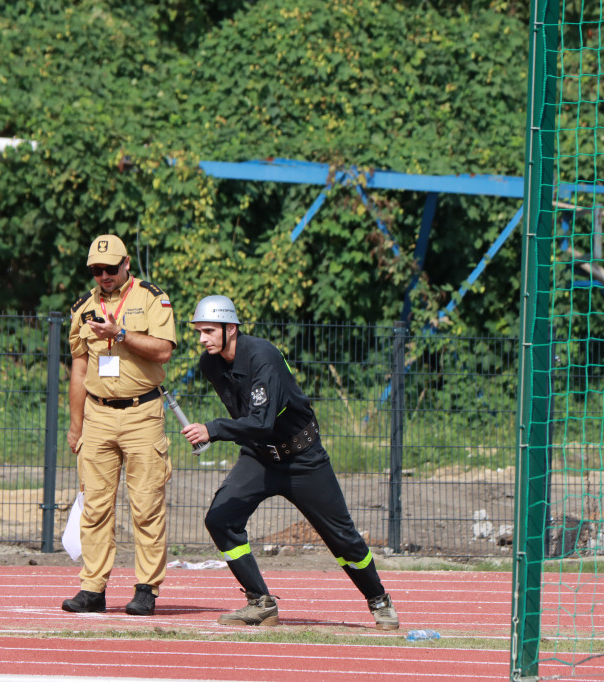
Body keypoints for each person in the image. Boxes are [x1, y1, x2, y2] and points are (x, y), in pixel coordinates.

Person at [179, 295, 399, 630]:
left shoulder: (263, 357)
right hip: (259, 456)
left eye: (209, 330)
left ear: (231, 328)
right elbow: (247, 419)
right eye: (199, 331)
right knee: (220, 519)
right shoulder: (210, 364)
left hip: (303, 457)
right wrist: (229, 433)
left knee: (342, 537)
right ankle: (260, 603)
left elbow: (261, 420)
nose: (201, 338)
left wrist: (212, 430)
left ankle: (379, 600)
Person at [63, 234, 176, 617]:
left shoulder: (151, 298)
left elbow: (164, 350)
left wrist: (121, 335)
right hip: (97, 415)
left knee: (146, 506)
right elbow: (79, 368)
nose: (104, 276)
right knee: (94, 506)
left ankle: (146, 588)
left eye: (111, 268)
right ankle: (92, 588)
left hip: (142, 413)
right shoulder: (83, 308)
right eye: (97, 270)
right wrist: (76, 425)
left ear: (127, 263)